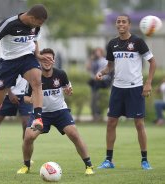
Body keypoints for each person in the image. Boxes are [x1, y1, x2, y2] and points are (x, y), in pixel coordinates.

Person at [17, 48, 94, 175]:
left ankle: (89, 166)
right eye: (44, 58)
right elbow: (25, 97)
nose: (47, 61)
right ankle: (26, 166)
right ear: (40, 60)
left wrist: (69, 91)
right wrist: (32, 99)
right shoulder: (34, 76)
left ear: (54, 60)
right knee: (28, 137)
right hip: (41, 114)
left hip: (60, 112)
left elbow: (68, 89)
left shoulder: (61, 74)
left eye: (50, 58)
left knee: (74, 134)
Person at [0, 4, 54, 132]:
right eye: (38, 23)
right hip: (8, 63)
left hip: (27, 58)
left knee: (37, 82)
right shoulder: (10, 23)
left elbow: (34, 41)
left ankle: (38, 118)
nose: (38, 26)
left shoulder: (36, 27)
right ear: (31, 17)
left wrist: (37, 55)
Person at [96, 14, 156, 170]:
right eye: (118, 22)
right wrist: (102, 72)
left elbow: (152, 62)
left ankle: (144, 160)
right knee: (111, 123)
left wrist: (148, 83)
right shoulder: (112, 43)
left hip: (135, 88)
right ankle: (109, 160)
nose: (120, 24)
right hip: (117, 88)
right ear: (116, 25)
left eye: (124, 22)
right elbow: (110, 66)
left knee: (139, 124)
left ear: (129, 25)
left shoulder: (138, 42)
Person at [0, 75, 33, 162]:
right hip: (7, 94)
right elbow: (4, 76)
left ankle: (26, 158)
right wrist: (10, 93)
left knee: (27, 124)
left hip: (24, 94)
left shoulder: (28, 61)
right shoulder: (7, 61)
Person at [86, 47, 112, 121]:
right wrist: (90, 59)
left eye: (98, 52)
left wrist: (96, 77)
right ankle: (94, 114)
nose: (97, 53)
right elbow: (88, 68)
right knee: (93, 98)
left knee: (99, 98)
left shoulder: (103, 61)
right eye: (96, 52)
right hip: (95, 82)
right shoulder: (93, 61)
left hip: (102, 81)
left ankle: (98, 113)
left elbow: (101, 72)